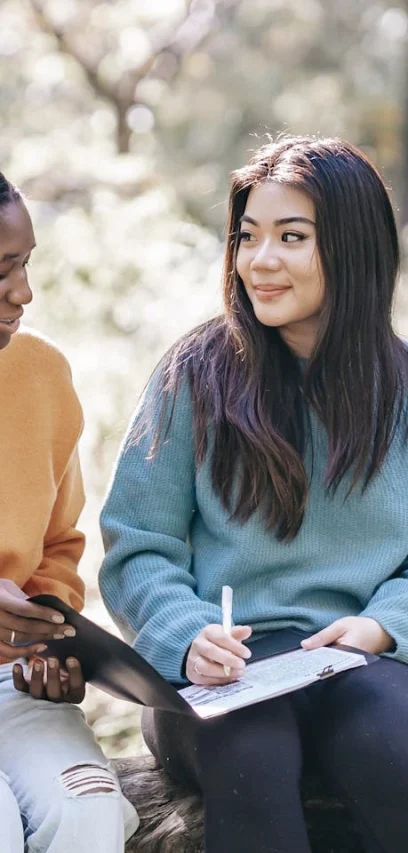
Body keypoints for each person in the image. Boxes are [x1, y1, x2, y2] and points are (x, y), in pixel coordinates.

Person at [99, 136, 408, 853]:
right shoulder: (194, 375)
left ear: (352, 247)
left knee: (377, 738)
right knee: (252, 745)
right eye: (247, 237)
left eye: (292, 237)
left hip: (373, 664)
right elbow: (139, 544)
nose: (260, 260)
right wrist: (187, 636)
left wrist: (382, 626)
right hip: (223, 674)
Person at [0, 172, 139, 853]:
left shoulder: (40, 374)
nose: (22, 293)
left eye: (24, 264)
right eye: (0, 271)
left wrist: (49, 642)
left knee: (88, 810)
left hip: (10, 685)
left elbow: (59, 544)